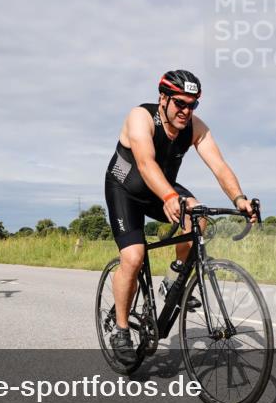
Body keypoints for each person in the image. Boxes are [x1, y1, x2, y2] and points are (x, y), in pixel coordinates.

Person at [104, 69, 255, 364]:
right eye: (180, 103)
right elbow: (146, 164)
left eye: (193, 104)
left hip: (161, 189)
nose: (186, 111)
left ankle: (172, 278)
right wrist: (170, 197)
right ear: (163, 98)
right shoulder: (141, 117)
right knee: (133, 258)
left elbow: (220, 167)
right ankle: (121, 329)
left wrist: (239, 198)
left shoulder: (195, 127)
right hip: (126, 189)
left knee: (197, 216)